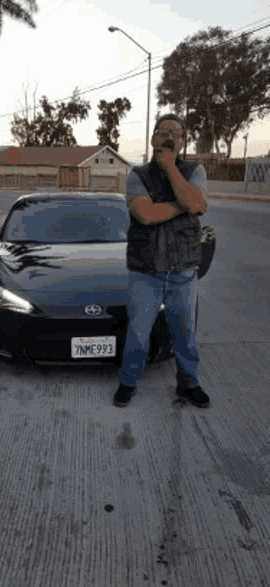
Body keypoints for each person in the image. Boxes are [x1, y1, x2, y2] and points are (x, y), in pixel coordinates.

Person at [113, 113, 210, 408]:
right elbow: (146, 214)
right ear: (153, 137)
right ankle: (128, 381)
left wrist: (169, 167)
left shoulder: (196, 171)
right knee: (139, 334)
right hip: (146, 271)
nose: (169, 136)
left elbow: (197, 204)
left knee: (186, 333)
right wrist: (185, 206)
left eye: (176, 133)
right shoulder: (137, 175)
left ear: (183, 141)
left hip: (183, 270)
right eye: (163, 131)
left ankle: (188, 384)